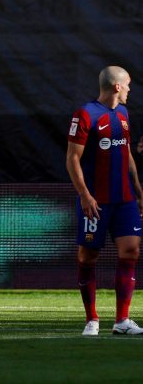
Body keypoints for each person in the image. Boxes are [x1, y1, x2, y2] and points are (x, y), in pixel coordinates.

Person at [66, 66, 143, 336]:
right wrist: (85, 195)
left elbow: (126, 152)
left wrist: (137, 188)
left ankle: (122, 321)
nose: (131, 90)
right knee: (88, 256)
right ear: (117, 87)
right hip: (96, 200)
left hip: (124, 198)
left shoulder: (122, 114)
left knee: (131, 250)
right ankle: (92, 319)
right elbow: (72, 158)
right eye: (129, 85)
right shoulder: (85, 114)